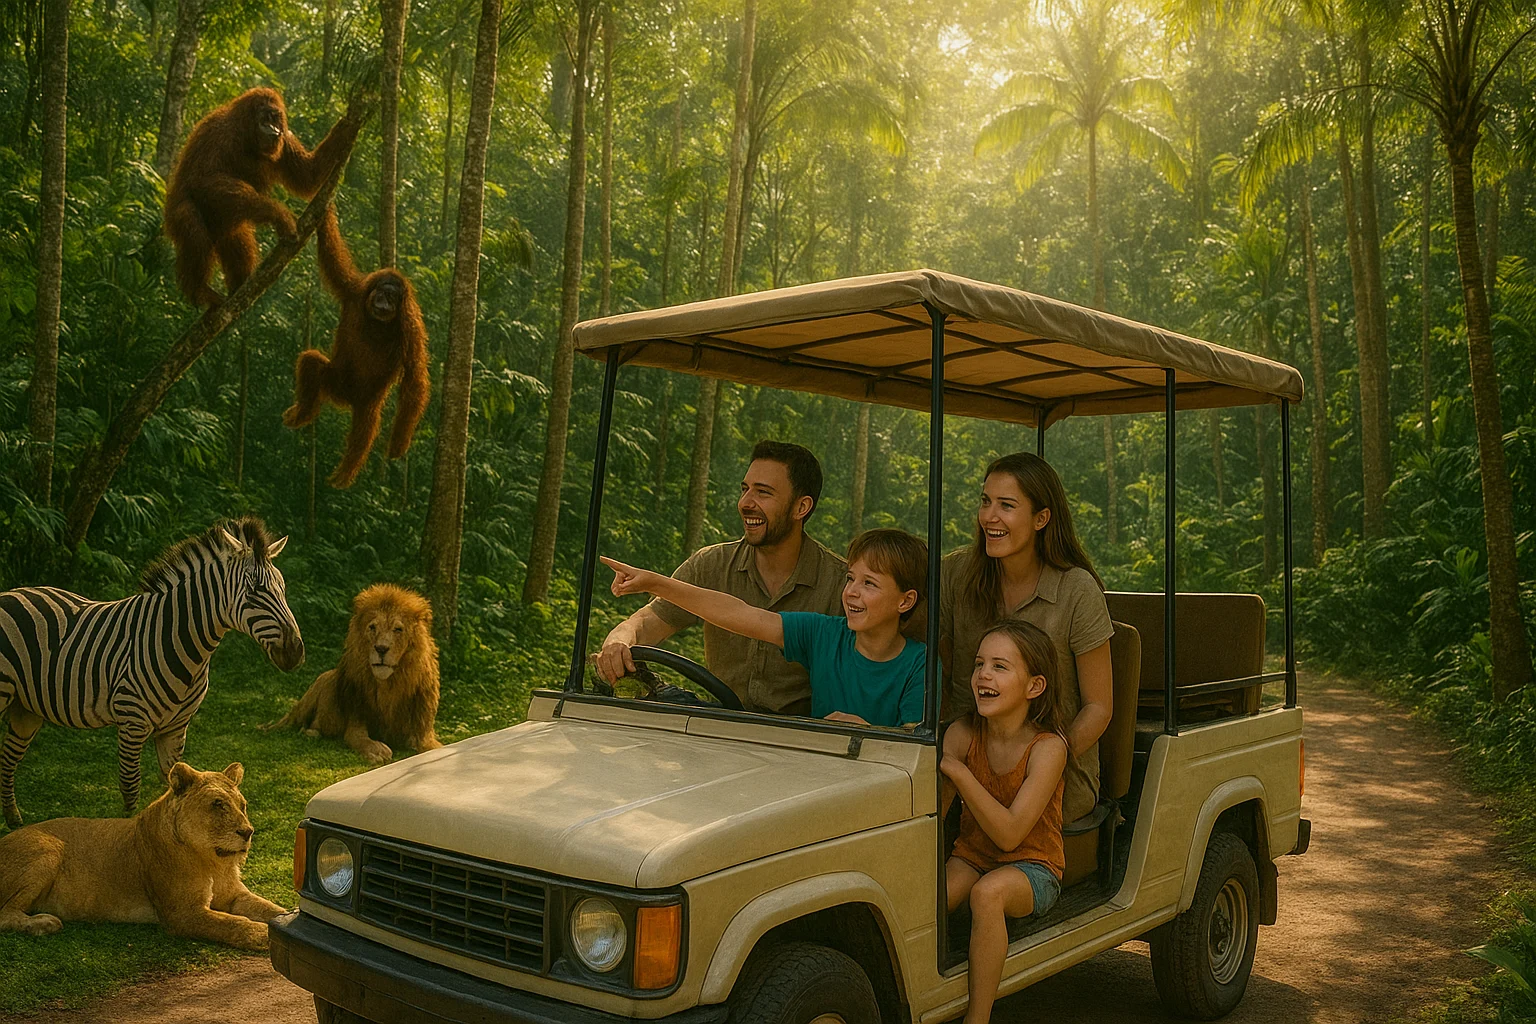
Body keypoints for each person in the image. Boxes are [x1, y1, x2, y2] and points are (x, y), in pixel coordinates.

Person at [594, 441, 847, 715]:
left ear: (801, 507)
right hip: (718, 726)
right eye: (744, 489)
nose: (745, 503)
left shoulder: (842, 585)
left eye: (763, 492)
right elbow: (649, 621)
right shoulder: (711, 564)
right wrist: (619, 641)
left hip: (803, 734)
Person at [602, 528, 929, 728]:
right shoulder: (823, 633)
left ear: (905, 601)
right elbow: (739, 614)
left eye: (869, 583)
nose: (852, 592)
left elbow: (917, 745)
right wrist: (653, 582)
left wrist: (868, 732)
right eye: (850, 579)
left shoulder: (920, 663)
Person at [939, 452, 1114, 825]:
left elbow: (1099, 708)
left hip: (1051, 777)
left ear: (1041, 518)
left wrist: (1040, 766)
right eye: (985, 501)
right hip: (963, 765)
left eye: (1006, 505)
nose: (989, 516)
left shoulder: (1076, 590)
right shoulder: (955, 573)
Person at [942, 618, 1068, 1024]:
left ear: (1034, 686)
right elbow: (936, 814)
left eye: (1000, 666)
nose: (984, 674)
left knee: (987, 894)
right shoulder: (963, 733)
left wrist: (959, 772)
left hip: (1033, 865)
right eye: (979, 664)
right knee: (932, 898)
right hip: (972, 855)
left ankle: (976, 1019)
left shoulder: (1048, 748)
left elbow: (1011, 835)